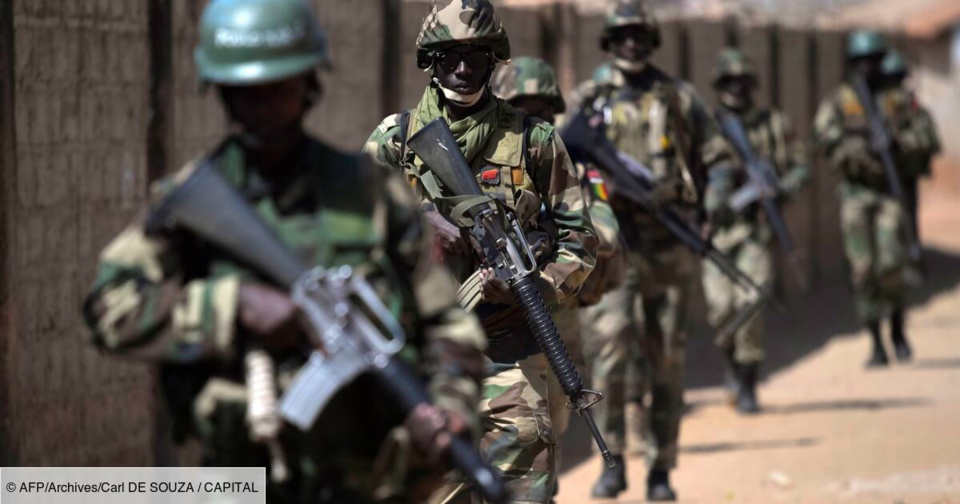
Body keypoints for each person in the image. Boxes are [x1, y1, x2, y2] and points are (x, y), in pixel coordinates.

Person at [82, 1, 486, 502]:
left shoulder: (371, 195)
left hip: (370, 480)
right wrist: (231, 309)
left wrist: (449, 407)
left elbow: (447, 322)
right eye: (245, 93)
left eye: (279, 88)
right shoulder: (189, 203)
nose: (263, 106)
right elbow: (109, 305)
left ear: (309, 85)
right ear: (222, 94)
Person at [364, 2, 598, 503]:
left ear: (495, 60)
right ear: (431, 60)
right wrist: (418, 222)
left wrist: (537, 283)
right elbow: (346, 237)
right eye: (450, 56)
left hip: (509, 355)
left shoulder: (535, 141)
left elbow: (579, 240)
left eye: (476, 56)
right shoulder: (394, 141)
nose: (464, 69)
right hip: (424, 362)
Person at [570, 0, 734, 500]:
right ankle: (612, 462)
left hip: (669, 245)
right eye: (623, 35)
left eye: (640, 34)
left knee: (667, 360)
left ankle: (660, 468)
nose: (632, 42)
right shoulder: (590, 98)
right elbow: (557, 159)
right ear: (609, 41)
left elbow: (720, 160)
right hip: (612, 248)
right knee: (610, 354)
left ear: (652, 38)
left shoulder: (680, 98)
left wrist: (712, 212)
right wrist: (598, 191)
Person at [491, 55, 626, 503]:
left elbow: (606, 230)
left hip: (553, 316)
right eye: (519, 108)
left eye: (541, 109)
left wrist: (558, 231)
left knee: (549, 429)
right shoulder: (483, 165)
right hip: (491, 319)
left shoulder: (576, 172)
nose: (531, 118)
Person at [814, 30, 939, 368]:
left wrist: (897, 143)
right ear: (854, 64)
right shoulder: (840, 101)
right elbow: (825, 137)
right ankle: (875, 341)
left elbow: (927, 136)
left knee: (890, 265)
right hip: (856, 193)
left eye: (873, 60)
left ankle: (897, 327)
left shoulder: (897, 100)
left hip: (888, 193)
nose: (868, 67)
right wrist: (859, 145)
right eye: (861, 61)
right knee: (863, 270)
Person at [704, 48, 808, 413]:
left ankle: (748, 384)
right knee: (721, 310)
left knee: (750, 302)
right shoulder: (707, 127)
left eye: (743, 81)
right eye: (729, 81)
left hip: (754, 231)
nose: (737, 88)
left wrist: (778, 187)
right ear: (719, 85)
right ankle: (733, 368)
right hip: (715, 233)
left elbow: (801, 167)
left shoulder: (773, 125)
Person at [878, 50, 941, 258]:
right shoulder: (878, 107)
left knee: (907, 218)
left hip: (905, 174)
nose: (893, 85)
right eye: (889, 79)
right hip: (880, 175)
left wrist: (900, 142)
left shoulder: (913, 108)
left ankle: (911, 258)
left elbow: (930, 140)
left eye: (897, 79)